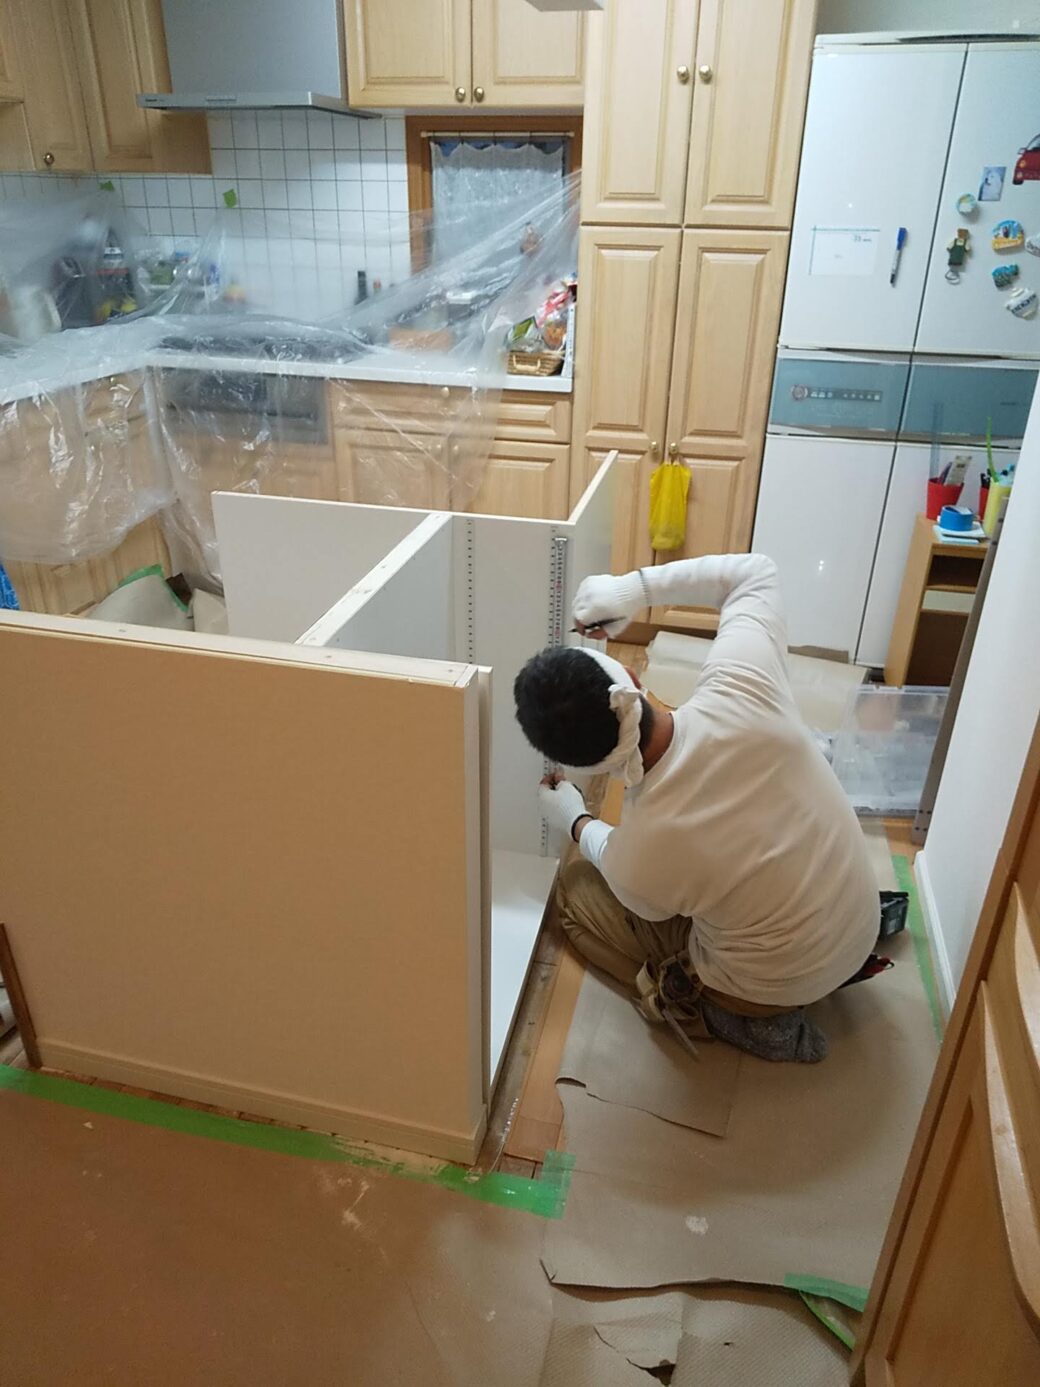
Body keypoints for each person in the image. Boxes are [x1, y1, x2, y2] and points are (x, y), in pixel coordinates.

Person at [513, 553, 880, 1063]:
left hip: (773, 985)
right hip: (857, 928)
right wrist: (633, 590)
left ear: (589, 767)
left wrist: (575, 820)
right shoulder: (743, 684)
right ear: (633, 677)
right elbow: (755, 573)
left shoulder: (646, 848)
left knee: (575, 896)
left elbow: (634, 885)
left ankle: (730, 1016)